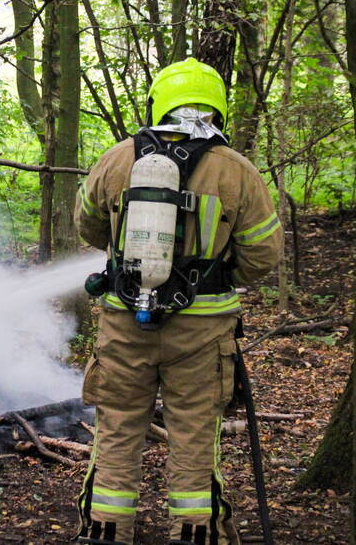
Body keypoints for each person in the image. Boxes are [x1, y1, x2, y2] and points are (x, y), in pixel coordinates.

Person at [73, 58, 282, 545]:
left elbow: (86, 224)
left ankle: (104, 531)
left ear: (159, 102)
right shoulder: (237, 170)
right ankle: (196, 532)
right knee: (193, 433)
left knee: (119, 427)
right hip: (203, 331)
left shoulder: (119, 157)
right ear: (216, 108)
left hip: (125, 323)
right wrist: (220, 272)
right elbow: (263, 254)